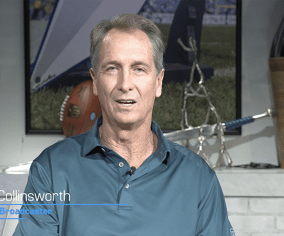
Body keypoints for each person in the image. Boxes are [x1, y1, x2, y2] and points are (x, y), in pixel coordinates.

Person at [14, 13, 234, 236]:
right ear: (95, 81)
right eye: (112, 68)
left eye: (139, 68)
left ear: (158, 82)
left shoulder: (199, 179)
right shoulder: (51, 169)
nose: (125, 84)